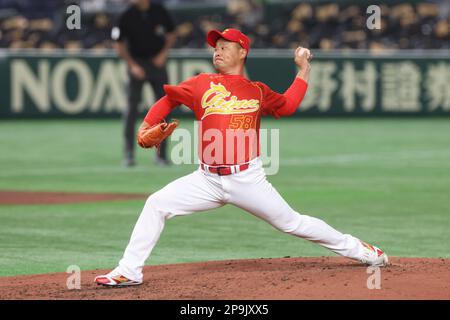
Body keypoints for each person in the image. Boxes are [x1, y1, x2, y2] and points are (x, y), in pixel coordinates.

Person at [95, 28, 388, 286]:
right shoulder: (201, 84)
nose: (218, 50)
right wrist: (147, 124)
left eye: (225, 46)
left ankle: (361, 250)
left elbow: (287, 106)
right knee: (156, 203)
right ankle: (129, 271)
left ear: (242, 51)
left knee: (293, 223)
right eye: (215, 47)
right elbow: (169, 99)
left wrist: (303, 70)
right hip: (206, 179)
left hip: (247, 178)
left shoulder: (256, 91)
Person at [112, 0, 176, 167]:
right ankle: (129, 154)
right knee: (131, 110)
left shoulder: (159, 11)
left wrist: (163, 54)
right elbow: (118, 44)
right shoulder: (126, 15)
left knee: (163, 108)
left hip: (157, 63)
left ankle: (161, 155)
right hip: (137, 64)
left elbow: (172, 34)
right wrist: (132, 65)